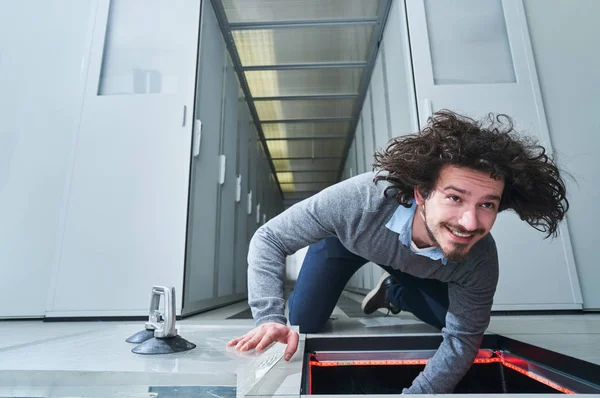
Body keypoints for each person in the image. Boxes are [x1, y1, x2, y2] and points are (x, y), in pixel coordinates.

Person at [227, 110, 569, 393]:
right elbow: (269, 238)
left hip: (423, 262)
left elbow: (462, 340)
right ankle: (378, 282)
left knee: (452, 321)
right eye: (455, 197)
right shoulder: (359, 200)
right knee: (305, 321)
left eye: (487, 204)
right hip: (348, 244)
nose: (470, 221)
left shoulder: (479, 258)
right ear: (422, 193)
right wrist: (269, 316)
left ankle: (394, 293)